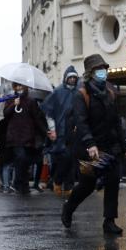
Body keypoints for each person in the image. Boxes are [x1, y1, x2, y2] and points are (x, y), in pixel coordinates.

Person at [61, 54, 126, 235]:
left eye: (104, 69)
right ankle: (69, 207)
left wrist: (123, 145)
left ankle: (109, 221)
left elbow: (116, 121)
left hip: (110, 145)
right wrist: (90, 143)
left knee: (113, 179)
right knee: (87, 185)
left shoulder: (110, 92)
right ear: (90, 73)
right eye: (99, 70)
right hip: (90, 147)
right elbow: (81, 122)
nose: (103, 72)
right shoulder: (81, 94)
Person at [0, 82, 48, 195]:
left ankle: (23, 185)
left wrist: (45, 132)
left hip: (28, 137)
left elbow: (37, 118)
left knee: (25, 161)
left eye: (21, 85)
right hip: (14, 137)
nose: (19, 88)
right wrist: (13, 105)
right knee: (21, 158)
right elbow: (5, 115)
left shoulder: (31, 101)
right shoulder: (10, 99)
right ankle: (18, 184)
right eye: (16, 86)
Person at [41, 66, 80, 198]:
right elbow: (48, 112)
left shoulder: (79, 92)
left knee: (72, 159)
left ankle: (68, 186)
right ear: (66, 78)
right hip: (60, 131)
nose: (73, 79)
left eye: (75, 77)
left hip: (74, 131)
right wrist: (52, 130)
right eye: (70, 77)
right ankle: (57, 181)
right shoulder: (57, 92)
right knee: (62, 158)